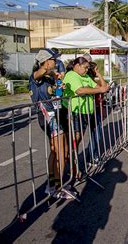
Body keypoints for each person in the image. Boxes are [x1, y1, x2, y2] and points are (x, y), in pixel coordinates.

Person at [29, 49, 74, 199]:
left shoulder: (50, 77)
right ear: (47, 61)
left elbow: (57, 95)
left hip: (56, 115)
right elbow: (36, 75)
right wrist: (49, 71)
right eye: (54, 60)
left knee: (58, 150)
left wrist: (58, 85)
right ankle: (58, 186)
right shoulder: (38, 75)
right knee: (59, 151)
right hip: (47, 117)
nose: (56, 63)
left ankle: (53, 184)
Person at [62, 57, 109, 179]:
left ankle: (73, 165)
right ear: (77, 65)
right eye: (85, 67)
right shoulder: (71, 75)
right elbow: (80, 91)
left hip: (86, 111)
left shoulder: (86, 76)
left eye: (88, 68)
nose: (87, 70)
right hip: (74, 111)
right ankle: (73, 168)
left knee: (78, 141)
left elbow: (105, 86)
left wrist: (97, 73)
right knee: (74, 141)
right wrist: (99, 89)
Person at [85, 61, 108, 164]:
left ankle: (92, 155)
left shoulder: (93, 81)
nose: (98, 71)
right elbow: (104, 88)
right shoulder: (89, 80)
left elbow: (105, 87)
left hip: (96, 109)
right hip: (91, 109)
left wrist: (98, 75)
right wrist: (99, 74)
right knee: (95, 134)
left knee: (96, 134)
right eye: (97, 69)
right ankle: (91, 157)